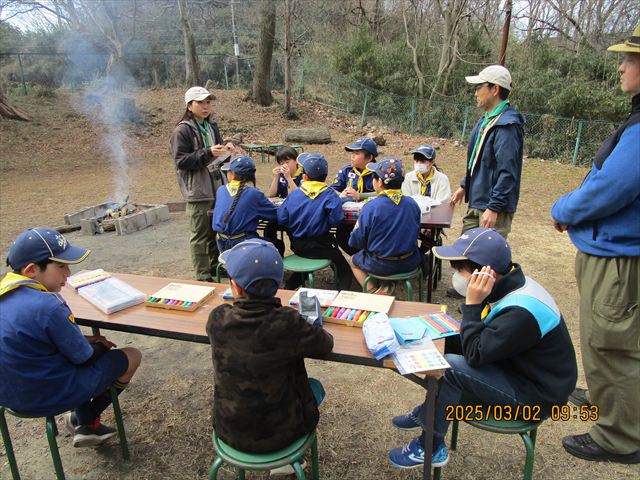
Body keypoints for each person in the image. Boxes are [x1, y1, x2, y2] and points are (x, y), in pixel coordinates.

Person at [388, 228, 577, 469]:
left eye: (459, 269)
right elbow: (482, 340)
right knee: (446, 346)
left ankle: (431, 446)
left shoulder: (521, 312)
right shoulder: (508, 283)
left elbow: (475, 354)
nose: (456, 274)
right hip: (516, 370)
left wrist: (473, 304)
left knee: (451, 367)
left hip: (535, 398)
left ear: (487, 274)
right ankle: (427, 414)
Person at [551, 26, 640, 465]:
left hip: (620, 261)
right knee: (615, 346)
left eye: (631, 59)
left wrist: (564, 208)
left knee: (612, 346)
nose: (622, 66)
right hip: (618, 254)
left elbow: (611, 187)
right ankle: (616, 409)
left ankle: (619, 436)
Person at [0, 228, 142, 448]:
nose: (68, 273)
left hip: (9, 396)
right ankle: (88, 422)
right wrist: (101, 346)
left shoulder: (5, 294)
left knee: (68, 354)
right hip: (46, 396)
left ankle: (82, 418)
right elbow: (83, 358)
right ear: (31, 270)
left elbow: (36, 338)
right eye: (61, 266)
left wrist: (84, 339)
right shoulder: (49, 304)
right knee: (132, 355)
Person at [206, 239, 333, 456]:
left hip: (229, 429)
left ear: (234, 286)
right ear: (278, 285)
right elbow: (325, 344)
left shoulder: (217, 318)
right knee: (315, 387)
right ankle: (284, 464)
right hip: (284, 433)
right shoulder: (288, 323)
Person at [447, 65, 524, 299]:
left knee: (487, 260)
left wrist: (494, 207)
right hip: (477, 199)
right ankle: (469, 293)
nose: (475, 92)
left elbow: (507, 172)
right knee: (467, 253)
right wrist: (464, 186)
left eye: (479, 87)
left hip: (491, 205)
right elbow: (478, 160)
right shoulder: (487, 121)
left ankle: (487, 303)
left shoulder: (507, 125)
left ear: (495, 89)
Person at [170, 86, 236, 282]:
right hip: (198, 189)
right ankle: (202, 274)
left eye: (208, 102)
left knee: (215, 229)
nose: (206, 106)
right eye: (200, 102)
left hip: (217, 184)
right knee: (200, 234)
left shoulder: (211, 126)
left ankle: (215, 266)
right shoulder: (182, 130)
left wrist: (227, 151)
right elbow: (181, 161)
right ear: (189, 106)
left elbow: (217, 156)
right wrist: (208, 152)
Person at [277, 153, 355, 290]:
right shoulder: (329, 194)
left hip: (298, 246)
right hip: (322, 247)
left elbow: (282, 219)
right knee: (344, 269)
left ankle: (289, 287)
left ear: (304, 176)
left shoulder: (294, 194)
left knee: (309, 257)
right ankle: (343, 292)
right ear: (325, 177)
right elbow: (336, 221)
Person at [348, 157, 422, 295]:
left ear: (380, 182)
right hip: (410, 261)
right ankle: (386, 285)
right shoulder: (413, 204)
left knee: (353, 260)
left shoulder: (371, 207)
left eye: (374, 178)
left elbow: (356, 241)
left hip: (381, 265)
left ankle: (373, 292)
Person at [212, 155, 278, 253]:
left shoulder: (221, 190)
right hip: (244, 244)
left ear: (233, 174)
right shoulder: (254, 194)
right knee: (278, 244)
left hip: (222, 243)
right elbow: (276, 214)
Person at [331, 137, 379, 255]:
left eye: (357, 153)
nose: (352, 156)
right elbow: (332, 190)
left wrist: (360, 195)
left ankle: (368, 258)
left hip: (371, 219)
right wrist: (341, 194)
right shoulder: (347, 171)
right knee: (341, 236)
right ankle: (359, 258)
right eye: (352, 153)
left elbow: (384, 193)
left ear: (369, 158)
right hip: (348, 218)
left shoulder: (378, 172)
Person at [264, 146, 304, 254]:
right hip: (282, 213)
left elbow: (300, 196)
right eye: (281, 163)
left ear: (296, 161)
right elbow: (271, 195)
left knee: (293, 233)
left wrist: (289, 178)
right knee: (268, 229)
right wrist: (276, 177)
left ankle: (298, 258)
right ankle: (276, 252)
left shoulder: (304, 174)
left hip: (297, 215)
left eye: (287, 161)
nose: (285, 165)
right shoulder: (281, 175)